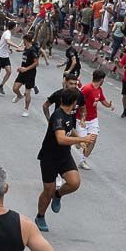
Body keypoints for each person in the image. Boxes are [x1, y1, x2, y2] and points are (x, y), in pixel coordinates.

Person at [35, 88, 95, 231]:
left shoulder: (69, 114)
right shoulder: (58, 116)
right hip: (49, 157)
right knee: (47, 190)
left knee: (74, 183)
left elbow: (70, 129)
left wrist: (80, 142)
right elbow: (61, 139)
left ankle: (58, 195)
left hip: (64, 155)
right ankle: (40, 216)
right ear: (74, 102)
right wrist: (83, 138)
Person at [78, 70, 112, 169]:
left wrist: (109, 105)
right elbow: (78, 100)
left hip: (93, 119)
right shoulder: (87, 89)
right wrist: (81, 117)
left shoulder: (99, 89)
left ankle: (83, 160)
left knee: (92, 140)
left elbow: (103, 101)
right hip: (81, 119)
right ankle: (78, 142)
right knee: (83, 142)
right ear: (101, 80)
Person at [11, 33, 39, 117]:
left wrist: (26, 69)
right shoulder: (26, 48)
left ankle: (26, 109)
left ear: (26, 40)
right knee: (15, 88)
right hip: (22, 72)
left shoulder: (33, 50)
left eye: (23, 40)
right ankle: (19, 96)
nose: (22, 42)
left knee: (27, 92)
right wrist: (21, 68)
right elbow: (25, 59)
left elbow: (36, 63)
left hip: (30, 73)